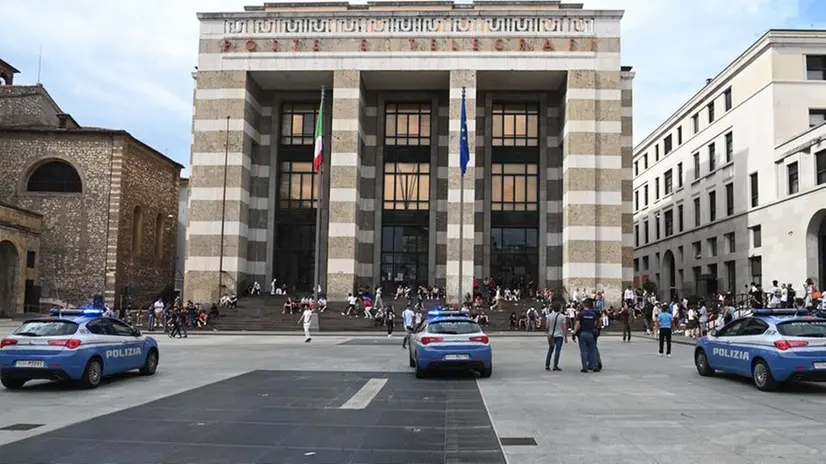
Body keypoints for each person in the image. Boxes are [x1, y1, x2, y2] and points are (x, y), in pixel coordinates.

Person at [573, 298, 600, 373]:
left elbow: (577, 324)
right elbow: (597, 322)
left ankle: (585, 367)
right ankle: (595, 366)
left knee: (583, 351)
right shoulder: (593, 314)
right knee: (592, 350)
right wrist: (596, 328)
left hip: (583, 333)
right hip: (590, 333)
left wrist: (574, 333)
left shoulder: (581, 314)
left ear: (584, 305)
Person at [544, 302, 567, 371]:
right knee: (557, 350)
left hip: (551, 335)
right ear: (560, 308)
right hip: (559, 335)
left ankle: (547, 365)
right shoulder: (562, 316)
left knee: (550, 350)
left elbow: (547, 326)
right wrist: (565, 337)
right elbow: (564, 327)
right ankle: (555, 365)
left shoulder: (549, 316)